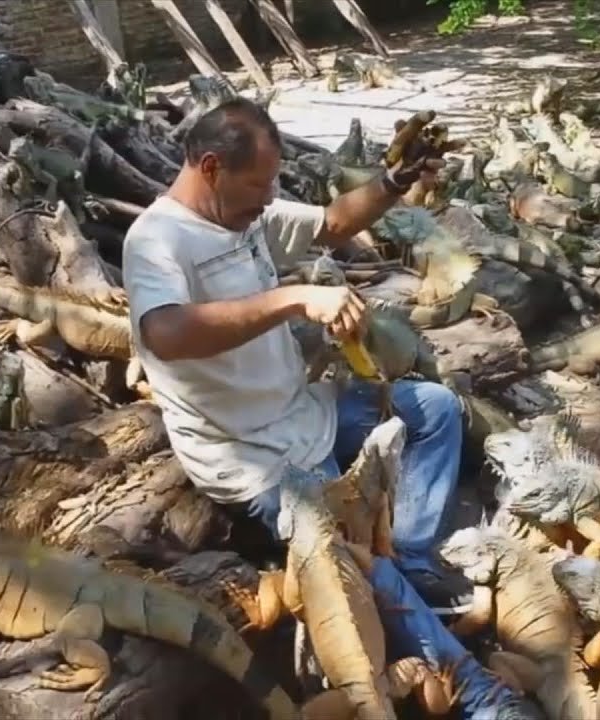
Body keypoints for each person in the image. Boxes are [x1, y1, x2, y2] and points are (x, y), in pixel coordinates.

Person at [121, 97, 474, 615]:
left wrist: (394, 182)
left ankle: (411, 556)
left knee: (436, 410)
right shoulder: (157, 240)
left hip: (306, 413)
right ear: (212, 169)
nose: (269, 199)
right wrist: (294, 297)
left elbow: (331, 224)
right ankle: (457, 671)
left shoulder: (245, 214)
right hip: (252, 454)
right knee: (353, 564)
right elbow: (167, 333)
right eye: (259, 185)